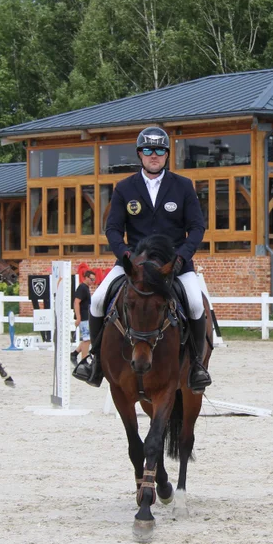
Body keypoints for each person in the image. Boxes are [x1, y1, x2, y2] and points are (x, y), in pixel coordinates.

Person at [73, 125, 212, 392]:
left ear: (167, 154)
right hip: (134, 264)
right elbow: (113, 228)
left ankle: (196, 366)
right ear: (140, 154)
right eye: (148, 150)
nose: (154, 155)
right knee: (100, 299)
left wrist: (181, 258)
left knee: (195, 304)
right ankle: (95, 362)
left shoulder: (183, 186)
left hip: (175, 264)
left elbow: (196, 228)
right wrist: (125, 255)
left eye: (160, 150)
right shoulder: (125, 188)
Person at [71, 270, 97, 366]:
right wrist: (78, 317)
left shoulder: (85, 288)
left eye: (94, 280)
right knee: (87, 339)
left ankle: (74, 354)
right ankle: (83, 360)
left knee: (87, 339)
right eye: (91, 279)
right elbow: (76, 302)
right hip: (83, 317)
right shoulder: (82, 288)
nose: (92, 281)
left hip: (86, 316)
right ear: (85, 277)